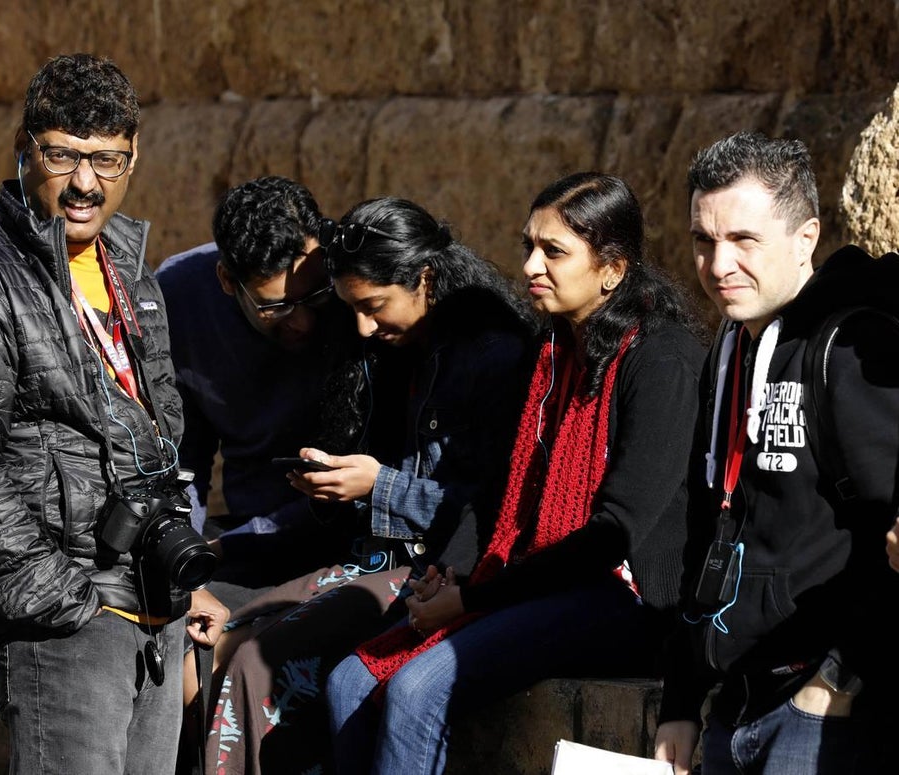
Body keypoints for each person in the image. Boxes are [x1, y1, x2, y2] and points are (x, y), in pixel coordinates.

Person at [0, 54, 228, 775]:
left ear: (134, 156)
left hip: (155, 608)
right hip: (64, 625)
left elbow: (156, 437)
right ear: (26, 149)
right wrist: (59, 597)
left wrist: (179, 572)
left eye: (107, 160)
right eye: (64, 156)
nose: (86, 183)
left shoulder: (131, 270)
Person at [326, 172, 706, 775]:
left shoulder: (662, 360)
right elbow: (502, 493)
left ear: (612, 266)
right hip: (530, 578)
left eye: (554, 252)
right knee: (349, 682)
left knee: (417, 690)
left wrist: (472, 598)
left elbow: (616, 531)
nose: (531, 264)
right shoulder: (551, 352)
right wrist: (446, 572)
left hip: (623, 596)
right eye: (529, 245)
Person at [203, 196, 532, 775]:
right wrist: (334, 489)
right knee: (210, 639)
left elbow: (492, 512)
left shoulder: (490, 356)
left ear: (424, 278)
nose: (363, 326)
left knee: (256, 661)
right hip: (371, 561)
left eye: (374, 306)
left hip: (433, 575)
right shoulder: (401, 349)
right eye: (352, 308)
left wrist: (379, 486)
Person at [653, 131, 899, 775]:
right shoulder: (728, 350)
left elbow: (893, 538)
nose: (718, 264)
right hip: (729, 709)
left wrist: (835, 684)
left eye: (743, 240)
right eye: (703, 240)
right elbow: (705, 527)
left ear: (806, 237)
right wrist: (680, 698)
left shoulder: (849, 349)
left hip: (817, 717)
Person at [156, 175, 352, 592]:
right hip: (246, 541)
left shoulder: (351, 274)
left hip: (350, 531)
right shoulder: (180, 296)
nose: (303, 322)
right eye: (276, 306)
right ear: (227, 281)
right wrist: (187, 563)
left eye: (316, 295)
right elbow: (184, 456)